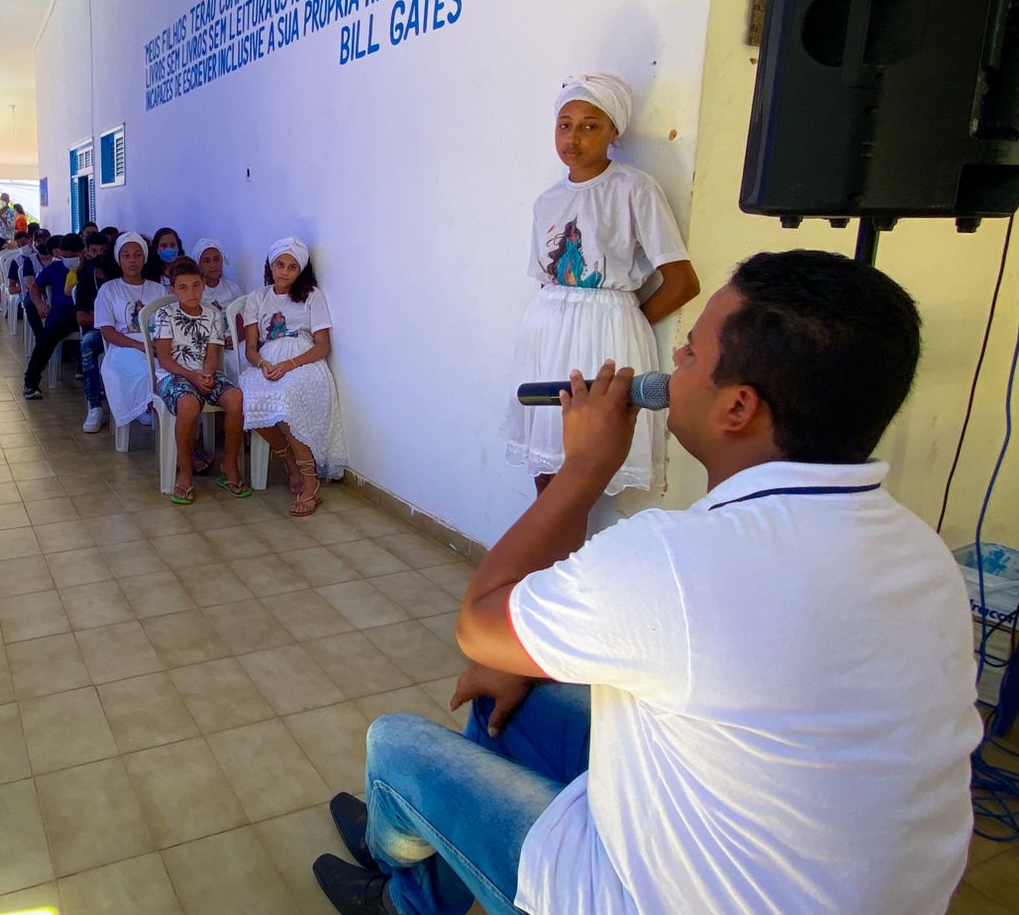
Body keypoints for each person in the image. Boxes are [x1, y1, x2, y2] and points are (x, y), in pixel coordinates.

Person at [313, 250, 983, 915]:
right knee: (515, 696)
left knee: (394, 743)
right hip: (813, 877)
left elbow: (480, 624)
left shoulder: (677, 558)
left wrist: (583, 468)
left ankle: (399, 893)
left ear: (738, 408)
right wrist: (513, 658)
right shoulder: (925, 554)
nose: (671, 365)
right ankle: (422, 874)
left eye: (689, 354)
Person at [503, 73, 699, 498]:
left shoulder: (634, 189)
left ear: (614, 131)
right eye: (565, 124)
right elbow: (546, 280)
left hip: (604, 333)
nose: (574, 137)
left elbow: (682, 282)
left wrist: (625, 323)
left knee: (582, 467)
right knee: (545, 460)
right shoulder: (548, 200)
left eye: (590, 125)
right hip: (547, 333)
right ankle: (548, 561)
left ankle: (565, 558)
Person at [240, 238, 346, 516]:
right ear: (270, 266)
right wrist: (263, 363)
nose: (285, 272)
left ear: (301, 271)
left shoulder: (312, 295)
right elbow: (250, 349)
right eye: (279, 265)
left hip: (303, 362)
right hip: (268, 362)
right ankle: (288, 461)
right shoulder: (257, 298)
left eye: (292, 267)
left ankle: (310, 481)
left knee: (285, 399)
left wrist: (289, 364)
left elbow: (323, 346)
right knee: (246, 398)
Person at [151, 257, 249, 503]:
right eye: (182, 287)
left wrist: (206, 374)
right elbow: (164, 359)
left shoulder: (213, 314)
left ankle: (229, 466)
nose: (191, 292)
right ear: (172, 290)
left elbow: (212, 355)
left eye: (195, 285)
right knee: (189, 404)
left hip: (204, 373)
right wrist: (192, 376)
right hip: (173, 376)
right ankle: (185, 472)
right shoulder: (165, 314)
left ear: (203, 284)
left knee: (236, 397)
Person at [93, 232, 165, 430]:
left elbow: (167, 325)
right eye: (126, 255)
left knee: (170, 372)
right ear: (118, 259)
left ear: (145, 258)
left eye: (137, 255)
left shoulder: (158, 290)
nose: (132, 260)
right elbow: (107, 331)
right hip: (123, 348)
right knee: (145, 372)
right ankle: (149, 409)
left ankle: (169, 426)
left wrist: (158, 345)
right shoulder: (109, 289)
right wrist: (140, 345)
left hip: (157, 345)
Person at [21, 232, 84, 400]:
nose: (69, 260)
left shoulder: (90, 269)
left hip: (87, 312)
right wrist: (40, 304)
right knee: (47, 336)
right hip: (63, 312)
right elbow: (35, 288)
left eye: (73, 256)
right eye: (65, 256)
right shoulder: (54, 268)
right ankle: (31, 382)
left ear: (82, 253)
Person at [74, 232, 112, 432]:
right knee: (87, 343)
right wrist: (106, 318)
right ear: (87, 253)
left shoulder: (118, 278)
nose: (99, 255)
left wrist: (97, 314)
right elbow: (82, 318)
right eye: (94, 251)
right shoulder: (86, 281)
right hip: (98, 332)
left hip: (123, 330)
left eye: (103, 251)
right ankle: (95, 406)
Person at [193, 237, 242, 316]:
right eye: (206, 261)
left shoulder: (233, 288)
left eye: (216, 259)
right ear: (199, 265)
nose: (213, 265)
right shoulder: (194, 292)